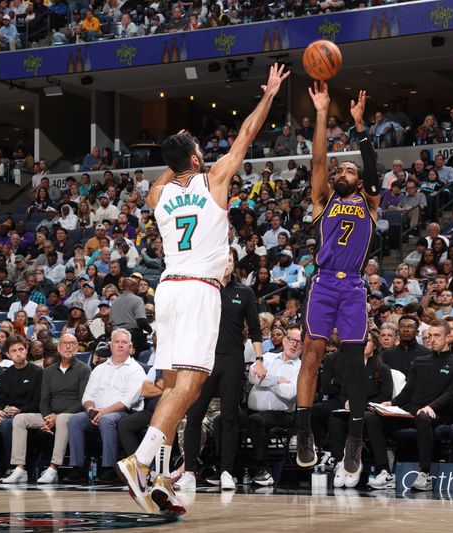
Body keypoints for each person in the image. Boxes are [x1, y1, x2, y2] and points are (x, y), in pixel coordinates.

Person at [116, 64, 290, 517]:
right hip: (198, 289)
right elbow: (247, 134)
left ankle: (157, 476)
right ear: (196, 159)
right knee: (191, 386)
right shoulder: (214, 180)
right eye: (198, 150)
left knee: (175, 386)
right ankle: (140, 461)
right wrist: (269, 94)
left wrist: (175, 157)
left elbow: (159, 181)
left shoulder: (158, 196)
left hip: (167, 289)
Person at [295, 82, 382, 487]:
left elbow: (372, 163)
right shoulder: (323, 200)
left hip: (354, 288)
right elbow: (317, 159)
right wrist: (321, 114)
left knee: (352, 362)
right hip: (324, 283)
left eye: (349, 169)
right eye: (339, 169)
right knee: (311, 356)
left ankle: (355, 438)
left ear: (360, 180)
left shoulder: (370, 201)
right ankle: (304, 432)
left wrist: (359, 126)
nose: (341, 171)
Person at [179, 253, 263, 490]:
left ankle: (227, 471)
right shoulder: (202, 290)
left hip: (232, 360)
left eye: (229, 259)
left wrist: (259, 359)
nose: (226, 263)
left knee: (229, 417)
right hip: (203, 360)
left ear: (234, 263)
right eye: (222, 258)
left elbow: (255, 330)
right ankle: (190, 471)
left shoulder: (244, 293)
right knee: (194, 415)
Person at [363, 319, 453, 491]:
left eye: (437, 336)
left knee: (423, 417)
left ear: (448, 337)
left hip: (437, 413)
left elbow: (451, 395)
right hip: (410, 410)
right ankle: (384, 472)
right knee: (372, 417)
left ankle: (425, 473)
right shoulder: (420, 361)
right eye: (430, 335)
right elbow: (408, 391)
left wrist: (431, 407)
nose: (432, 339)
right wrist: (391, 404)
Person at [0, 334, 91, 484]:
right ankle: (20, 468)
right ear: (58, 347)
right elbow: (44, 400)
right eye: (65, 344)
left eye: (72, 343)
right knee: (19, 419)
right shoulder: (49, 371)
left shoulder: (84, 369)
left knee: (61, 419)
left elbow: (83, 400)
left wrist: (58, 416)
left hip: (72, 414)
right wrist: (48, 417)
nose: (68, 347)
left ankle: (53, 468)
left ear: (77, 347)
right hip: (48, 415)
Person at [66, 329, 146, 485]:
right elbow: (87, 396)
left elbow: (127, 402)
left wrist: (103, 412)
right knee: (75, 420)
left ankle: (109, 468)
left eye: (124, 343)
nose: (120, 345)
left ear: (130, 347)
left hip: (123, 413)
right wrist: (90, 411)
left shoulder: (136, 370)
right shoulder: (99, 369)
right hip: (95, 412)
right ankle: (78, 467)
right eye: (116, 342)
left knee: (107, 420)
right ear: (111, 346)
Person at [328, 326, 394, 489]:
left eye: (368, 342)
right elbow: (343, 393)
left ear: (374, 345)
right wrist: (346, 403)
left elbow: (385, 395)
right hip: (353, 411)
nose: (364, 345)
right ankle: (340, 461)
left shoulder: (382, 368)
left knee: (370, 419)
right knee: (335, 418)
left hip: (371, 411)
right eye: (361, 342)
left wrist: (360, 404)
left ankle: (383, 469)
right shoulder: (351, 368)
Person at [0, 336, 43, 482]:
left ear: (26, 350)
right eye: (14, 351)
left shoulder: (38, 372)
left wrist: (20, 410)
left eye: (21, 349)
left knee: (7, 423)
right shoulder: (5, 375)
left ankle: (15, 467)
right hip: (9, 414)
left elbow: (40, 401)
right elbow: (2, 400)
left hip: (30, 414)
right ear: (8, 354)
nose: (18, 353)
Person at [245, 324, 303, 486]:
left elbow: (289, 393)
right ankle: (225, 469)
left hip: (281, 415)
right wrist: (277, 380)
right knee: (226, 419)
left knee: (257, 421)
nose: (294, 345)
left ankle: (263, 468)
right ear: (284, 341)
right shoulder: (268, 357)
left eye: (299, 342)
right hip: (252, 411)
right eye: (292, 340)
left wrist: (266, 378)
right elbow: (253, 377)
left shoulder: (300, 368)